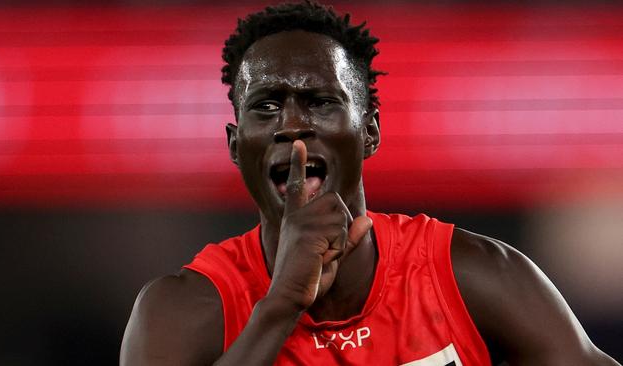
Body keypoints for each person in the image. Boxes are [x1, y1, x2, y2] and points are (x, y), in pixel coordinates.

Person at [120, 1, 620, 365]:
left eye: (320, 102)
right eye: (266, 106)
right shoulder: (185, 310)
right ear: (235, 144)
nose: (293, 125)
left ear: (371, 132)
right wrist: (280, 306)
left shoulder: (470, 277)